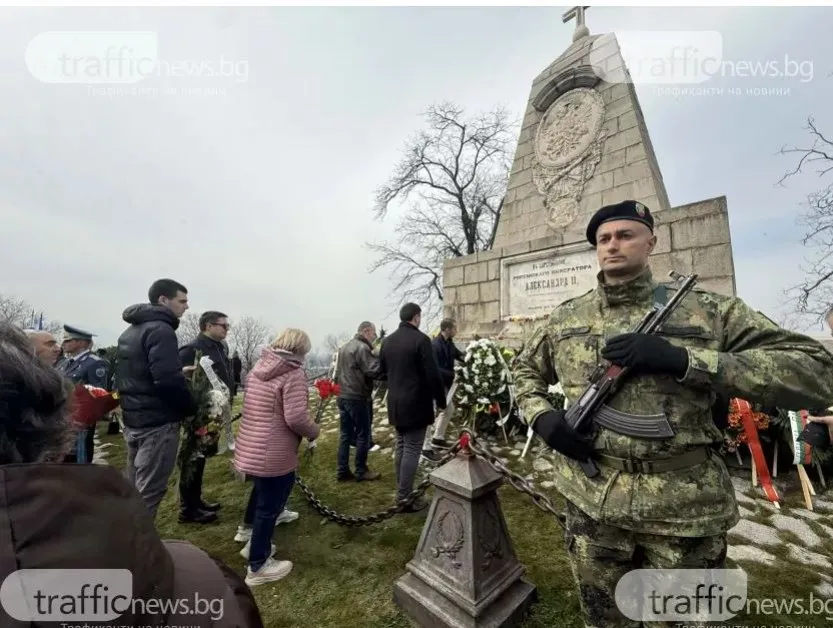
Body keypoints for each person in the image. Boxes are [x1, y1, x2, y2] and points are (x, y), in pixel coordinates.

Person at [512, 199, 833, 628]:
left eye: (625, 235)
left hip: (683, 511)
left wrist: (687, 360)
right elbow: (523, 370)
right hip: (592, 502)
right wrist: (541, 417)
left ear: (651, 242)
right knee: (605, 619)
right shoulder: (567, 315)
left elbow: (816, 370)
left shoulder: (708, 311)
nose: (613, 245)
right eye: (603, 239)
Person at [0, 322, 265, 628]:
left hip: (129, 428)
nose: (59, 346)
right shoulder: (207, 587)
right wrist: (187, 407)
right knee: (148, 485)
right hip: (145, 428)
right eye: (50, 344)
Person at [233, 328, 320, 586]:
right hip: (274, 448)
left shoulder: (259, 368)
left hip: (252, 443)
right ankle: (258, 565)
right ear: (300, 350)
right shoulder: (292, 374)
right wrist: (314, 432)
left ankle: (247, 531)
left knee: (261, 491)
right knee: (269, 506)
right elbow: (296, 417)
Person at [116, 278, 196, 520]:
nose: (186, 307)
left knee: (134, 487)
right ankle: (137, 542)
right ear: (163, 300)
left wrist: (176, 372)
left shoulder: (131, 330)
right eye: (182, 301)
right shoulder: (161, 330)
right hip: (157, 423)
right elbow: (167, 382)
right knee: (149, 491)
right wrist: (189, 407)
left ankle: (126, 535)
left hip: (135, 419)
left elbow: (137, 374)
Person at [379, 303, 446, 513]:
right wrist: (441, 401)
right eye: (420, 317)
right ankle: (404, 497)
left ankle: (402, 490)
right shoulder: (421, 340)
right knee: (411, 448)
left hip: (396, 402)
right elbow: (433, 374)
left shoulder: (387, 341)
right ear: (416, 317)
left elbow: (382, 371)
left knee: (401, 445)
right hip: (416, 402)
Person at [176, 310, 232, 524]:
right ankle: (187, 509)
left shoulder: (219, 347)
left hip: (213, 413)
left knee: (200, 458)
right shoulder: (192, 349)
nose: (226, 329)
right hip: (197, 414)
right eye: (223, 325)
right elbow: (181, 382)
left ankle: (196, 500)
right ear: (208, 326)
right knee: (191, 459)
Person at [335, 321, 382, 482]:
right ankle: (361, 470)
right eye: (373, 333)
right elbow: (373, 370)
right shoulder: (362, 348)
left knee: (345, 435)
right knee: (363, 434)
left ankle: (342, 470)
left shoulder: (345, 347)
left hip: (342, 395)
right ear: (366, 331)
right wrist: (384, 362)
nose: (374, 337)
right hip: (357, 396)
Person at [58, 324, 109, 464]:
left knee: (80, 461)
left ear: (81, 342)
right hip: (64, 417)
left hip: (80, 421)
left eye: (68, 340)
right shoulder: (66, 363)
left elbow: (97, 394)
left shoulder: (94, 363)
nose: (64, 344)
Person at [424, 317, 465, 459]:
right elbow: (435, 368)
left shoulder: (449, 343)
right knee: (430, 413)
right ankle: (425, 446)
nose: (456, 330)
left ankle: (438, 438)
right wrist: (454, 373)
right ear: (447, 329)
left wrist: (473, 356)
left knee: (449, 409)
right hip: (434, 384)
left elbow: (459, 355)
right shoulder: (435, 345)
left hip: (445, 384)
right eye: (454, 328)